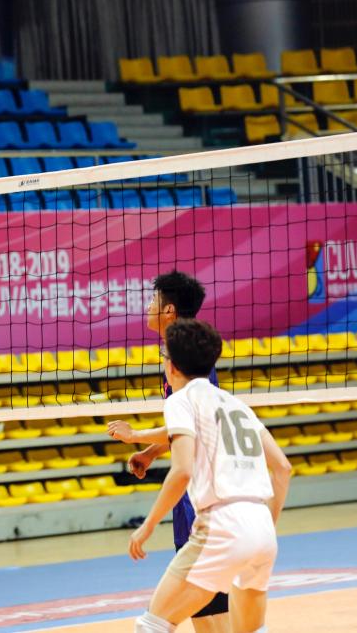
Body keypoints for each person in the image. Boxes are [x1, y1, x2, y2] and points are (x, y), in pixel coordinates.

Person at [128, 319, 291, 633]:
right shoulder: (238, 405)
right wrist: (263, 528)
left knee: (151, 625)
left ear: (172, 366)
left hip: (222, 525)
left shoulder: (180, 400)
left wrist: (147, 526)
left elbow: (182, 471)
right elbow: (283, 468)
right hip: (261, 526)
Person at [107, 271, 230, 632]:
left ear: (169, 311)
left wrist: (135, 436)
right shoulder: (184, 352)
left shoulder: (181, 359)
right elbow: (188, 425)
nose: (147, 306)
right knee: (206, 602)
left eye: (153, 300)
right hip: (206, 488)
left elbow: (189, 420)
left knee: (187, 600)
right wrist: (150, 452)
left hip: (199, 491)